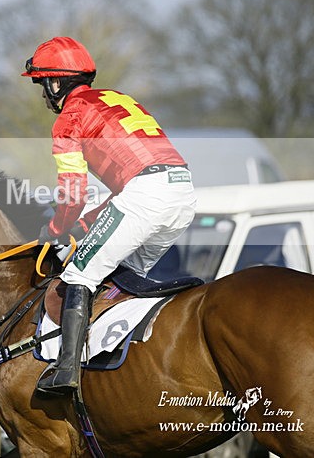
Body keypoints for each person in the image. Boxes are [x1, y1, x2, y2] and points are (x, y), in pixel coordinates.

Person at [21, 36, 196, 396]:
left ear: (57, 81)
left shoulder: (69, 118)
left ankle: (66, 370)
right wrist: (85, 224)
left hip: (146, 195)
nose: (43, 95)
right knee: (124, 277)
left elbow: (73, 193)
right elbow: (127, 188)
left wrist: (56, 228)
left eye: (43, 85)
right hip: (181, 191)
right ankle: (127, 366)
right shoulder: (116, 99)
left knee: (79, 274)